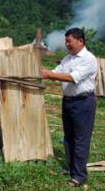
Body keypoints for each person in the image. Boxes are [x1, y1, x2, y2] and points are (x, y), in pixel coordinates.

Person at [42, 28, 98, 187]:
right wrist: (42, 73)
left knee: (81, 138)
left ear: (81, 41)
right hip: (68, 101)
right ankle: (72, 168)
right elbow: (56, 71)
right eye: (66, 41)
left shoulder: (88, 59)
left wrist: (48, 74)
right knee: (69, 137)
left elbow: (73, 78)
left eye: (69, 41)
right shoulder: (67, 58)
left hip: (83, 102)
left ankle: (79, 176)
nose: (67, 44)